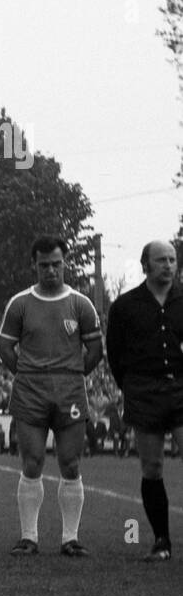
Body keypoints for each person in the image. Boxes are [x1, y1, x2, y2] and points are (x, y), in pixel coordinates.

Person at [0, 235, 103, 557]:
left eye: (56, 264)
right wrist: (29, 374)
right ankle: (28, 537)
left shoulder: (81, 304)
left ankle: (70, 538)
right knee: (32, 462)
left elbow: (96, 349)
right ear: (35, 265)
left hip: (70, 390)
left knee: (70, 463)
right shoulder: (20, 304)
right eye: (44, 265)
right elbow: (5, 348)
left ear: (64, 263)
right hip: (30, 390)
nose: (51, 270)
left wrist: (72, 374)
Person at [106, 240, 182, 561]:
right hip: (143, 391)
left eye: (172, 259)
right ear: (145, 265)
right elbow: (115, 354)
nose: (168, 265)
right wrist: (132, 387)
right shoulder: (125, 306)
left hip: (181, 388)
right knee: (152, 467)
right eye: (161, 260)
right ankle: (161, 541)